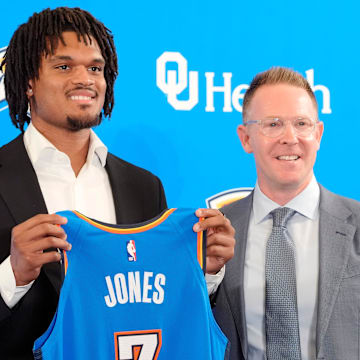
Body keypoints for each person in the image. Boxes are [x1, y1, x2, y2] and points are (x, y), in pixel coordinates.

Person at [0, 7, 235, 359]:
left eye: (95, 68)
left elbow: (161, 305)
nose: (85, 79)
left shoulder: (143, 186)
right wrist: (13, 275)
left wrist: (208, 271)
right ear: (29, 81)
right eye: (64, 67)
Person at [213, 67, 360, 360]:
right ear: (245, 138)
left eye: (301, 123)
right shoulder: (216, 233)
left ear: (318, 134)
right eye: (273, 124)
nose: (290, 137)